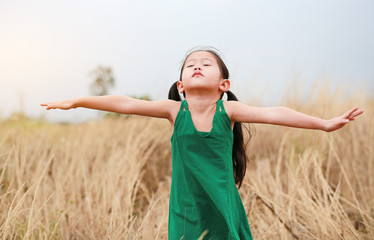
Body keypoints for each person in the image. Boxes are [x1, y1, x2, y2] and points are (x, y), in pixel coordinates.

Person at [41, 47, 363, 239]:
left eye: (206, 64)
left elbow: (275, 112)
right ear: (181, 84)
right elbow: (125, 103)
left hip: (222, 204)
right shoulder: (173, 110)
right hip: (186, 206)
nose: (197, 65)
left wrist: (323, 124)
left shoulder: (229, 110)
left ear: (223, 84)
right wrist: (79, 102)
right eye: (191, 64)